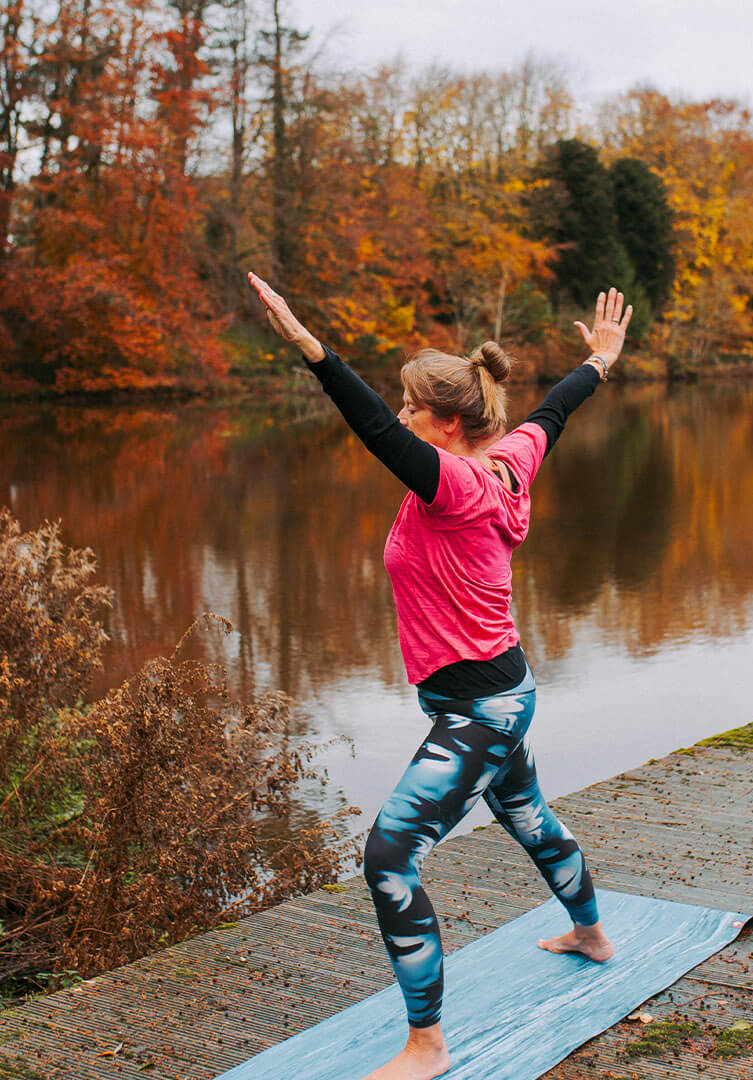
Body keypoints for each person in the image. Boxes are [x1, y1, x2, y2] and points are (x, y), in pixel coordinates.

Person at [247, 271, 632, 1080]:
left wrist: (311, 349)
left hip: (481, 712)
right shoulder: (509, 461)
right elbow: (553, 413)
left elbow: (375, 432)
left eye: (417, 408)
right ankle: (592, 933)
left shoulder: (452, 483)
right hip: (498, 695)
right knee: (526, 816)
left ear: (449, 424)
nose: (406, 416)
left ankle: (427, 1044)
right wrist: (598, 362)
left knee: (390, 856)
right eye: (406, 406)